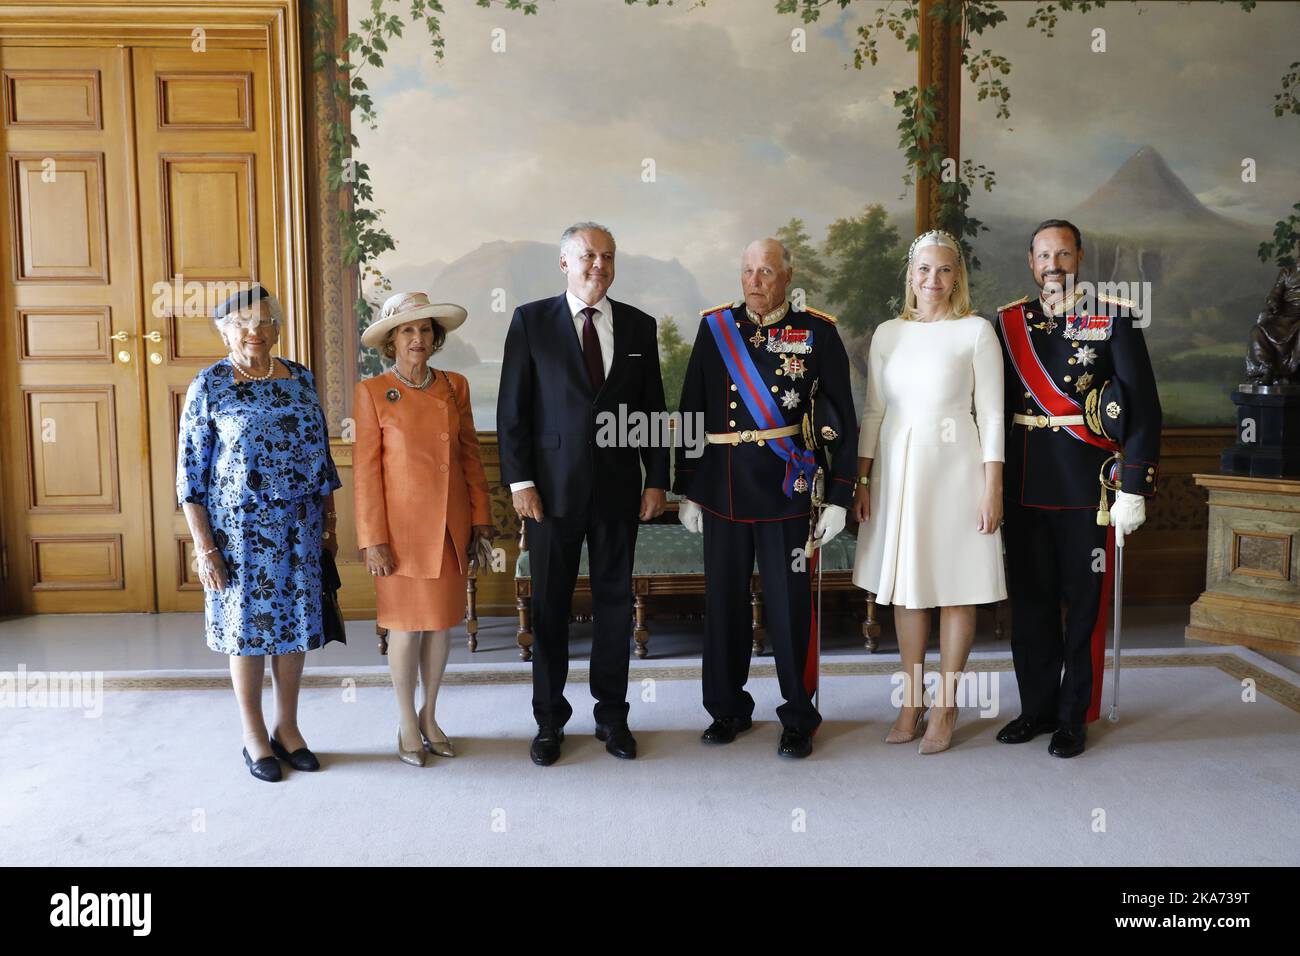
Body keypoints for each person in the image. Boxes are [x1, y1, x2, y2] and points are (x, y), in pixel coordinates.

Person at [674, 238, 858, 759]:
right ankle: (726, 708)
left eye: (767, 271)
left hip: (787, 490)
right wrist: (688, 488)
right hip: (723, 489)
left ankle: (799, 715)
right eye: (748, 271)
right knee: (724, 605)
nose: (756, 281)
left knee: (789, 609)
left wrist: (840, 496)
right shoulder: (715, 330)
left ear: (787, 275)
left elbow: (841, 417)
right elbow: (693, 409)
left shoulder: (817, 332)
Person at [497, 222, 670, 766]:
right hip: (550, 494)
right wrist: (521, 482)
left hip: (620, 491)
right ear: (565, 263)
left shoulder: (640, 327)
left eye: (609, 256)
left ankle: (612, 717)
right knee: (549, 608)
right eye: (589, 255)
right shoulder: (530, 321)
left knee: (616, 606)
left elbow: (654, 413)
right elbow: (512, 411)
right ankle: (549, 721)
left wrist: (658, 478)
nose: (600, 265)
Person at [994, 219, 1161, 758]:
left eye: (1063, 255)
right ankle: (1036, 708)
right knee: (1032, 604)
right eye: (1044, 256)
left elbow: (1143, 408)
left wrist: (1134, 484)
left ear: (1080, 258)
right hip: (1023, 487)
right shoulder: (1007, 323)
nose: (1054, 266)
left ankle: (1074, 716)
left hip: (1089, 488)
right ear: (1031, 261)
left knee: (1084, 606)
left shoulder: (1112, 318)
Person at [177, 284, 342, 783]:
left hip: (300, 527)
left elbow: (322, 459)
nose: (254, 331)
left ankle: (287, 728)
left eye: (264, 321)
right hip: (238, 534)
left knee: (293, 627)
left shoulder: (300, 378)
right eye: (242, 323)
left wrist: (329, 524)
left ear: (276, 328)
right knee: (246, 633)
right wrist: (205, 548)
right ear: (225, 332)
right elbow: (190, 477)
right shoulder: (210, 385)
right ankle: (253, 736)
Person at [851, 230, 1006, 755]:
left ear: (956, 276)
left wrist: (993, 486)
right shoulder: (888, 334)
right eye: (923, 269)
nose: (932, 280)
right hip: (897, 469)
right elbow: (874, 412)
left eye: (943, 270)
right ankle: (912, 701)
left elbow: (990, 414)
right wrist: (862, 479)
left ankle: (946, 706)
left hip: (958, 469)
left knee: (955, 586)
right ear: (910, 275)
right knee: (907, 586)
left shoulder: (976, 332)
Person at [353, 292, 493, 767]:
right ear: (392, 339)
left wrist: (480, 522)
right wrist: (372, 539)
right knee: (405, 629)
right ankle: (406, 722)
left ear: (436, 338)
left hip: (450, 529)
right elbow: (367, 474)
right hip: (400, 535)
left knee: (439, 627)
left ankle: (430, 715)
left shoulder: (455, 386)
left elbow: (470, 458)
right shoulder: (372, 391)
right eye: (408, 330)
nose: (418, 338)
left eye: (425, 329)